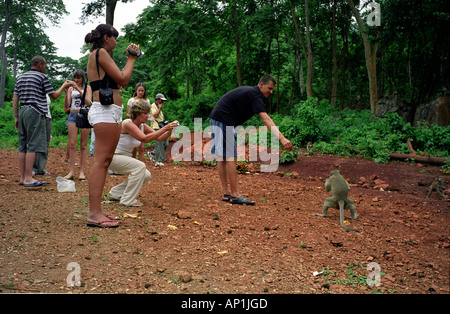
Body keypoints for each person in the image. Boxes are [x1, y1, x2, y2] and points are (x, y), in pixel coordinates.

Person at [84, 24, 140, 228]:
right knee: (101, 161)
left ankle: (97, 210)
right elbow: (124, 79)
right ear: (106, 37)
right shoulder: (100, 53)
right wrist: (131, 58)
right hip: (105, 111)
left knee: (106, 160)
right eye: (115, 38)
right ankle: (93, 213)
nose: (117, 42)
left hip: (111, 112)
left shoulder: (99, 55)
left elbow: (117, 82)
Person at [209, 74, 293, 205]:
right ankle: (235, 195)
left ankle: (227, 193)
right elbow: (266, 120)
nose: (271, 92)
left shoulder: (252, 93)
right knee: (230, 156)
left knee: (223, 157)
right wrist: (282, 138)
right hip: (224, 119)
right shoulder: (255, 96)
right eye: (269, 88)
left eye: (272, 90)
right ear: (261, 85)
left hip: (217, 117)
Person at [13, 56, 73, 187]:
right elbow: (54, 96)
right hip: (35, 111)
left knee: (22, 146)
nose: (45, 67)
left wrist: (16, 117)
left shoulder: (21, 77)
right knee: (32, 145)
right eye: (45, 65)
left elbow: (15, 97)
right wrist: (64, 86)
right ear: (40, 64)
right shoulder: (41, 77)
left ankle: (23, 177)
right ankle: (29, 178)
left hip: (23, 110)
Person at [107, 99, 178, 206]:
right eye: (145, 113)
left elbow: (159, 138)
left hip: (124, 157)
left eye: (148, 113)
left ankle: (116, 193)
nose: (147, 116)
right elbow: (144, 139)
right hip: (113, 157)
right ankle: (127, 200)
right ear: (136, 113)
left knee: (145, 175)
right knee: (140, 167)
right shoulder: (127, 123)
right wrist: (165, 128)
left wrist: (171, 129)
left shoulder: (142, 126)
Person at [64, 70, 92, 180]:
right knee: (72, 144)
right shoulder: (71, 88)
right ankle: (71, 171)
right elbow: (67, 105)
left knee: (84, 145)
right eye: (75, 78)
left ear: (83, 78)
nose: (76, 80)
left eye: (78, 78)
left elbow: (89, 102)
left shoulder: (87, 88)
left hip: (84, 115)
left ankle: (82, 171)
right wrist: (67, 91)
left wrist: (79, 90)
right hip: (73, 115)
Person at [126, 82, 151, 160]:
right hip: (133, 125)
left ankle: (140, 163)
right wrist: (136, 117)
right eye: (139, 90)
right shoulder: (131, 100)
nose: (141, 92)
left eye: (142, 90)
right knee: (134, 146)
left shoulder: (147, 101)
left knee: (141, 146)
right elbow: (127, 113)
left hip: (142, 125)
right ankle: (133, 162)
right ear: (136, 90)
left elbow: (148, 113)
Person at [32, 94, 52, 176]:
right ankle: (33, 168)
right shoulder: (34, 89)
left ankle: (42, 168)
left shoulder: (46, 92)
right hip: (37, 117)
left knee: (46, 142)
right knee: (35, 141)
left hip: (48, 117)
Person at [150, 93, 169, 166]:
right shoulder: (153, 106)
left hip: (162, 126)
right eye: (161, 100)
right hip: (156, 126)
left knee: (165, 143)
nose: (162, 102)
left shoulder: (158, 106)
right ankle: (158, 160)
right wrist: (160, 108)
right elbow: (155, 115)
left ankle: (152, 153)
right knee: (159, 144)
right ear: (157, 100)